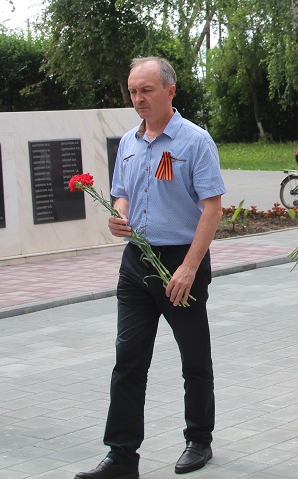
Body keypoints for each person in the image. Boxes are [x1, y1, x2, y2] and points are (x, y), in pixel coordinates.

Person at [76, 57, 225, 479]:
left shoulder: (195, 141)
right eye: (133, 91)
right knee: (128, 359)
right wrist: (118, 214)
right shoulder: (129, 141)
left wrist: (189, 268)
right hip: (136, 262)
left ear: (170, 91)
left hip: (181, 263)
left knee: (194, 357)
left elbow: (212, 208)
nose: (138, 99)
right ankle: (122, 455)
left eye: (146, 90)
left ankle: (199, 439)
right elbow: (121, 192)